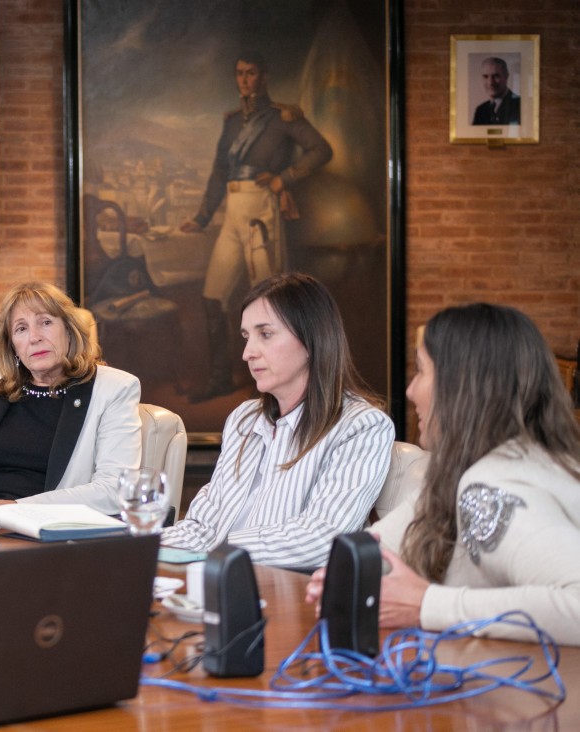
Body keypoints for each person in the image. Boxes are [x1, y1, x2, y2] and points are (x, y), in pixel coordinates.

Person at [307, 303, 580, 644]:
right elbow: (377, 547)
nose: (409, 391)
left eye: (420, 372)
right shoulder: (462, 471)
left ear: (461, 386)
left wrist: (426, 604)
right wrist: (343, 574)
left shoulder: (492, 486)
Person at [160, 273, 393, 570]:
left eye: (265, 334)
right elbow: (203, 525)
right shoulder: (243, 420)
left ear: (311, 339)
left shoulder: (361, 426)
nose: (247, 353)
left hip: (293, 598)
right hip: (220, 578)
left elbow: (323, 539)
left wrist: (218, 549)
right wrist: (139, 546)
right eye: (246, 336)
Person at [181, 52, 333, 402]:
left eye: (251, 73)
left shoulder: (282, 118)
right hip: (233, 211)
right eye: (239, 74)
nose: (245, 80)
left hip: (261, 208)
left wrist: (286, 178)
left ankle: (273, 383)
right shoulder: (232, 122)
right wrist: (203, 217)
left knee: (271, 301)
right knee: (213, 294)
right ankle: (220, 377)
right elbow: (220, 172)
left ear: (264, 76)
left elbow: (321, 150)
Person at [0, 282, 141, 514]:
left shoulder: (113, 388)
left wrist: (10, 509)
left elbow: (116, 489)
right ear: (12, 345)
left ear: (69, 329)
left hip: (44, 529)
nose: (34, 338)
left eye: (45, 323)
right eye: (21, 329)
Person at [471, 57, 521, 125]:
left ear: (506, 76)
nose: (490, 82)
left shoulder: (520, 106)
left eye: (496, 76)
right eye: (485, 76)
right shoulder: (481, 110)